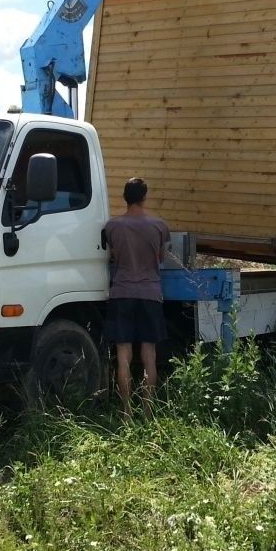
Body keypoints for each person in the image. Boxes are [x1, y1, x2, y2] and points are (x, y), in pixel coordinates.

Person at [104, 177, 171, 413]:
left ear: (124, 197)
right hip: (150, 293)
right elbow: (161, 258)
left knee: (123, 355)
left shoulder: (112, 226)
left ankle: (126, 411)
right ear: (145, 197)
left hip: (121, 292)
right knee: (149, 355)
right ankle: (148, 410)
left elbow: (111, 256)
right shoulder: (159, 226)